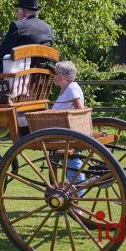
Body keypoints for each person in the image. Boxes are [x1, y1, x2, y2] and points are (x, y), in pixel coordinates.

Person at [0, 0, 53, 74]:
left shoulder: (18, 26)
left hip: (15, 78)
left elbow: (1, 53)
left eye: (17, 11)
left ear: (22, 12)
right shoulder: (47, 28)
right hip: (36, 79)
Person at [52, 61, 85, 193]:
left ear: (65, 76)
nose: (54, 76)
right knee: (69, 166)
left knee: (72, 166)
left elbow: (80, 110)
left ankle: (78, 196)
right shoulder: (66, 89)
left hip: (69, 135)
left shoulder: (71, 88)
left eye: (57, 73)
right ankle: (74, 195)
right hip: (63, 134)